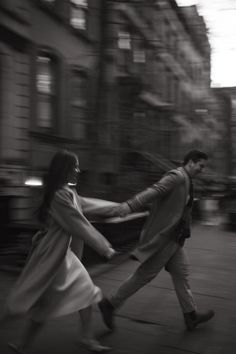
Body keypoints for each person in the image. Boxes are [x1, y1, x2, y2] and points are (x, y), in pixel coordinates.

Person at [3, 150, 117, 353]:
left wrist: (123, 207)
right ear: (65, 169)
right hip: (56, 258)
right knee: (71, 296)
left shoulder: (69, 193)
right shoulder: (60, 196)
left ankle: (27, 344)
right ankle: (85, 339)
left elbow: (94, 205)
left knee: (80, 294)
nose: (78, 170)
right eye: (75, 167)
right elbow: (79, 225)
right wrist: (104, 247)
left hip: (63, 256)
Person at [99, 150, 215, 331]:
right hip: (164, 239)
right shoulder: (176, 177)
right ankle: (110, 303)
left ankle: (190, 315)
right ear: (191, 162)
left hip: (175, 240)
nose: (202, 170)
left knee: (182, 274)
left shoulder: (188, 181)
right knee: (144, 275)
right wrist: (129, 206)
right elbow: (154, 191)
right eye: (201, 165)